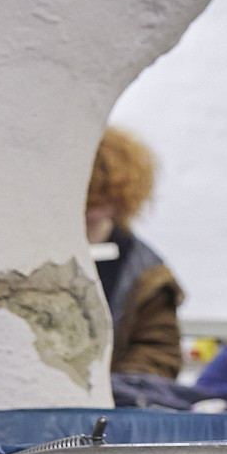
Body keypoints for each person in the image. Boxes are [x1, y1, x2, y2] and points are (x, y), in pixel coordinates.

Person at [86, 125, 185, 381]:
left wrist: (114, 390)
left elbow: (158, 355)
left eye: (106, 198)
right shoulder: (32, 255)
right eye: (90, 198)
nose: (95, 210)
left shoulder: (149, 276)